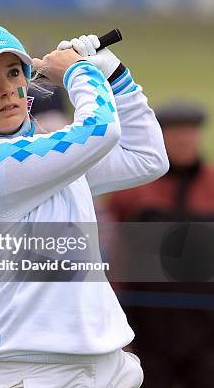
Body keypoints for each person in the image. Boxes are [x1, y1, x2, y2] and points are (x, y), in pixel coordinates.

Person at [0, 21, 169, 387]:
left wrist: (114, 73)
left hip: (103, 367)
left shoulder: (48, 157)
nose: (6, 89)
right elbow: (100, 131)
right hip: (28, 373)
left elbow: (147, 156)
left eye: (13, 72)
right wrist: (79, 70)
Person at [109, 101, 214, 387]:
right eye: (176, 132)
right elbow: (112, 251)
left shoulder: (211, 185)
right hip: (148, 323)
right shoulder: (133, 189)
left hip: (206, 324)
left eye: (190, 132)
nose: (184, 140)